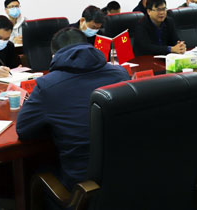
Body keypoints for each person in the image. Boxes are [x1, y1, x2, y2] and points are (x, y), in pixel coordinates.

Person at [16, 28, 129, 190]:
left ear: (54, 55)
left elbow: (23, 130)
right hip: (126, 173)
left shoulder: (47, 85)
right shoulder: (121, 74)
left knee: (37, 170)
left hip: (84, 187)